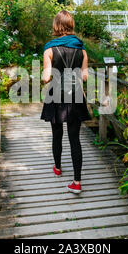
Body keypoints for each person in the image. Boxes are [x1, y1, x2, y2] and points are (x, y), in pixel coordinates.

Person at [41, 10, 91, 194]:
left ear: (56, 25)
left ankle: (57, 167)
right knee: (74, 138)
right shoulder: (81, 49)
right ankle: (77, 182)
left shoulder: (49, 48)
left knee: (56, 134)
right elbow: (84, 77)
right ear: (71, 25)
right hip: (76, 95)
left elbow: (47, 77)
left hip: (56, 95)